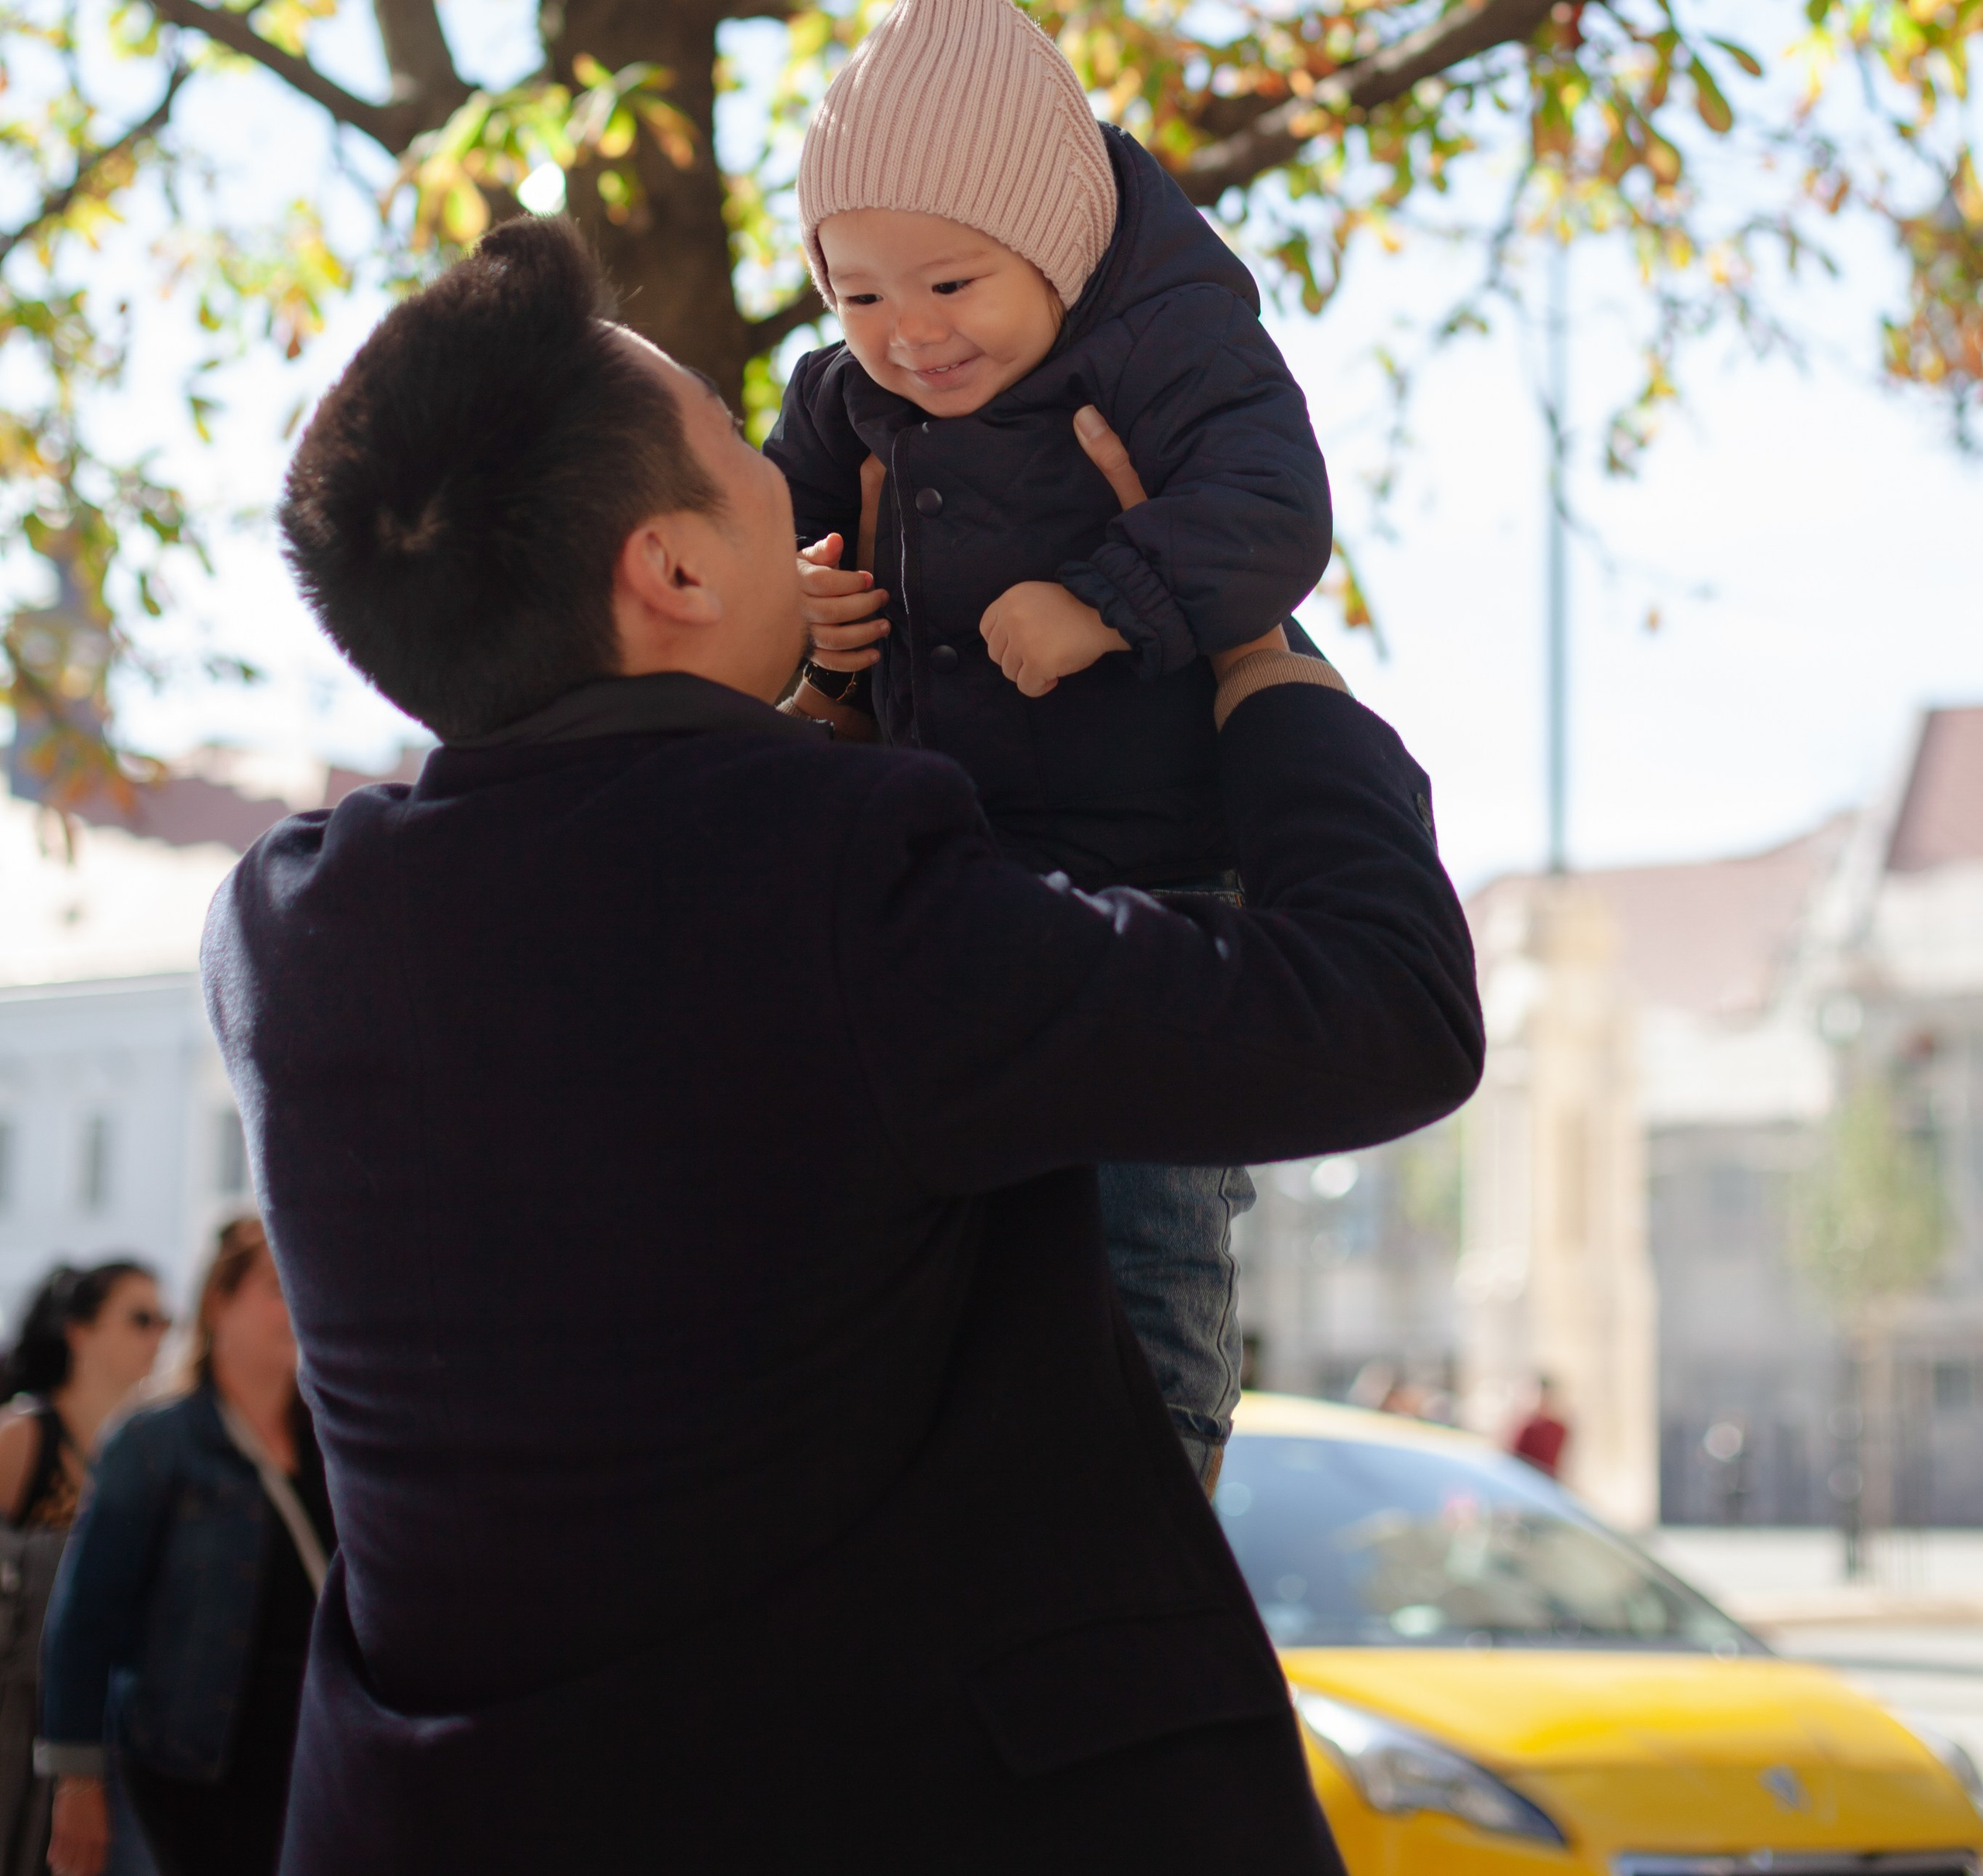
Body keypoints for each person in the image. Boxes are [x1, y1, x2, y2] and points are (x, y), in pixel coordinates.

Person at [206, 215, 1482, 1871]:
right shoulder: (832, 880)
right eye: (741, 448)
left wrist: (819, 710)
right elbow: (1382, 1012)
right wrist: (1256, 650)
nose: (790, 463)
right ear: (667, 570)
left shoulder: (290, 931)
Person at [768, 0, 1335, 1487]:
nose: (906, 336)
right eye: (855, 292)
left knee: (1148, 1214)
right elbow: (752, 547)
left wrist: (1103, 599)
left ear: (1054, 242)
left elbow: (1275, 507)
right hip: (949, 879)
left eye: (949, 285)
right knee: (942, 1229)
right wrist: (806, 614)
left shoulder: (1165, 346)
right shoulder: (843, 404)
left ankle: (1159, 1486)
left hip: (1150, 879)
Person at [40, 1218, 332, 1876]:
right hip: (190, 1764)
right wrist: (77, 1778)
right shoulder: (155, 1442)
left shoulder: (334, 1445)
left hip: (315, 1760)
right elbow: (85, 1618)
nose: (296, 1302)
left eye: (303, 1284)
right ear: (217, 1301)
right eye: (272, 1286)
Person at [0, 1263, 168, 1876]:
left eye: (166, 1321)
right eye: (141, 1318)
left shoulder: (149, 1449)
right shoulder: (23, 1436)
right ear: (81, 1332)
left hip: (99, 1717)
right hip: (15, 1708)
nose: (159, 1334)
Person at [1510, 1376, 1572, 1479]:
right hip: (1523, 1478)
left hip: (1545, 1482)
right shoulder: (1527, 1425)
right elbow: (1513, 1458)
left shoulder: (1559, 1429)